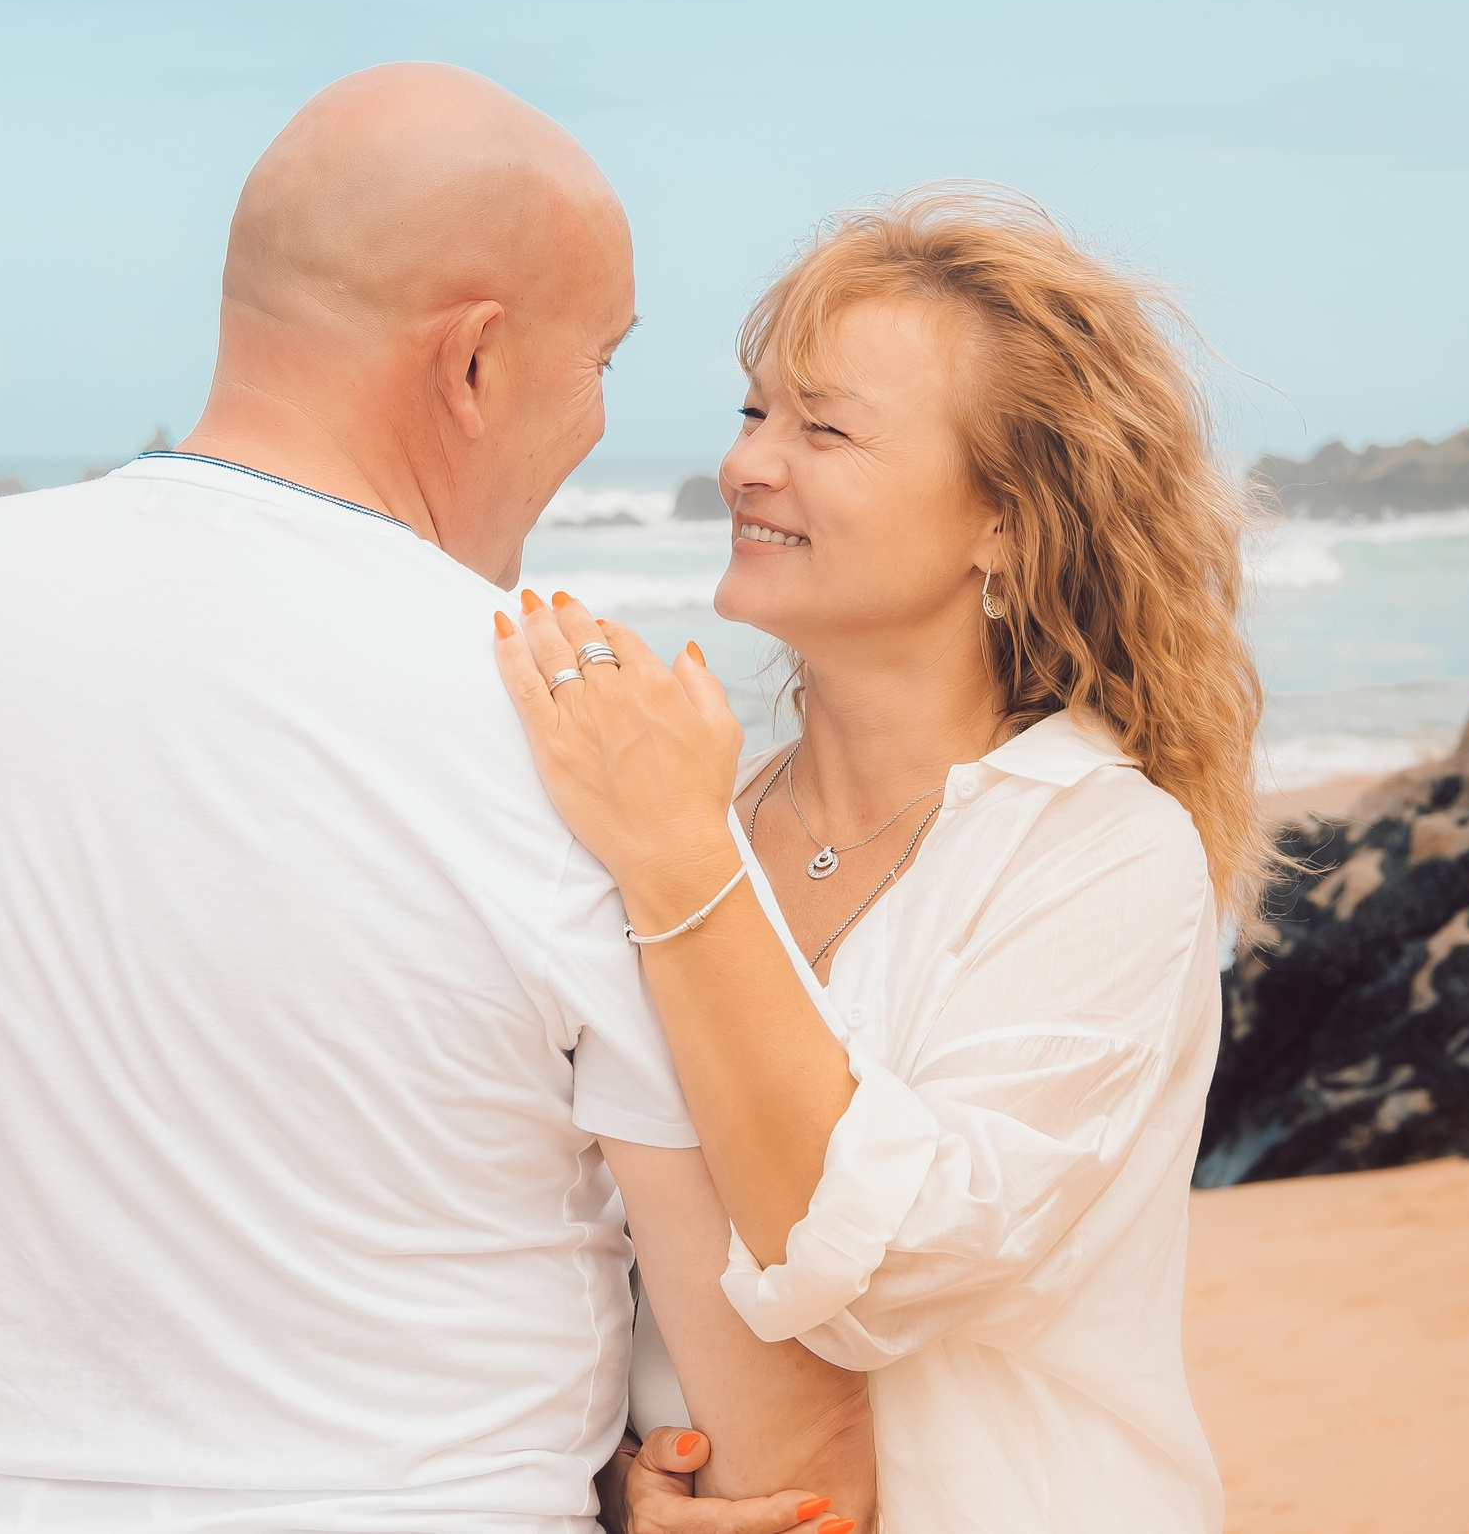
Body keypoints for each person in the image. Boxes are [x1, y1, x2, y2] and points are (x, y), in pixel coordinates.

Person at [0, 64, 871, 1534]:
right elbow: (778, 1420)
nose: (605, 419)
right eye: (604, 362)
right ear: (475, 365)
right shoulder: (580, 736)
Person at [493, 188, 1263, 1530]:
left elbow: (889, 1260)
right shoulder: (703, 825)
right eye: (753, 414)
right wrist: (626, 1485)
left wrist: (677, 866)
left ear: (1007, 525)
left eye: (824, 428)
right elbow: (602, 1261)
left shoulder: (1098, 849)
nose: (746, 466)